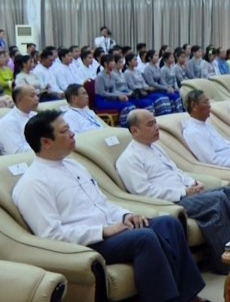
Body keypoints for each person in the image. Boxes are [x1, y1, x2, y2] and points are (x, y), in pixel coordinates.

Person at [12, 110, 207, 302]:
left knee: (168, 223)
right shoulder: (33, 183)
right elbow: (51, 235)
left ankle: (189, 296)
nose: (72, 134)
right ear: (46, 142)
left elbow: (102, 203)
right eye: (64, 131)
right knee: (144, 238)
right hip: (89, 241)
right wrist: (102, 231)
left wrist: (125, 215)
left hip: (112, 227)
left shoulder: (73, 165)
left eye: (69, 129)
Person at [116, 109, 230, 275]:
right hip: (171, 201)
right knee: (218, 199)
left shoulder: (155, 148)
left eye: (155, 122)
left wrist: (192, 183)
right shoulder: (129, 158)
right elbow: (144, 193)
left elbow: (176, 172)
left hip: (186, 192)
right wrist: (184, 191)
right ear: (135, 130)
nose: (156, 127)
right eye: (150, 124)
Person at [94, 55, 142, 127]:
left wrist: (125, 94)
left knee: (131, 106)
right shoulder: (100, 76)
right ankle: (124, 126)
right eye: (111, 61)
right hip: (102, 101)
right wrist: (118, 96)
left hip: (110, 98)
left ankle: (129, 125)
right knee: (127, 107)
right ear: (105, 64)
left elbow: (114, 90)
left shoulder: (112, 75)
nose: (113, 63)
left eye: (113, 61)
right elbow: (102, 93)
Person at [0, 85, 38, 155]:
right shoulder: (7, 122)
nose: (37, 99)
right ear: (19, 99)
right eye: (32, 96)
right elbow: (16, 151)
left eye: (37, 95)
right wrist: (45, 149)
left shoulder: (35, 115)